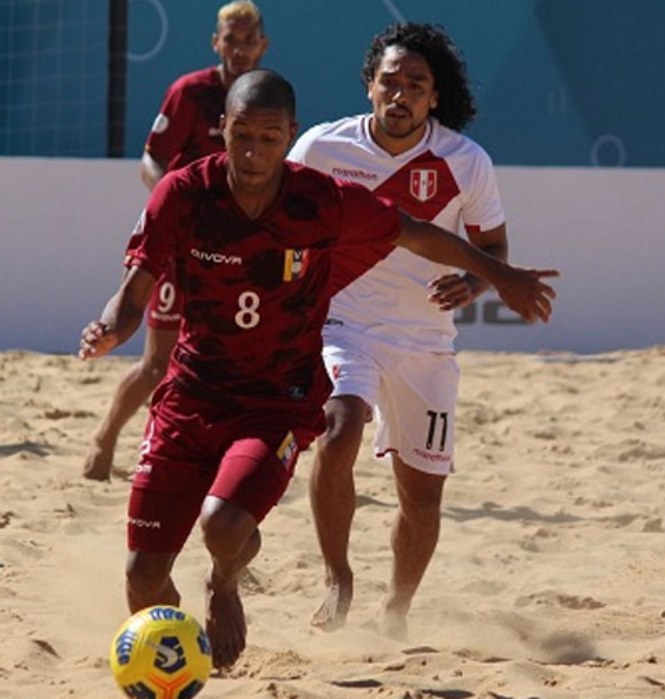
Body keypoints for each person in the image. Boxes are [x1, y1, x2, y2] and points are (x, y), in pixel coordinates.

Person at [79, 69, 556, 669]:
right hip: (191, 396)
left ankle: (226, 585)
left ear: (290, 136)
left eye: (270, 137)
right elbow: (132, 291)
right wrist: (110, 328)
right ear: (221, 129)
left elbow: (415, 233)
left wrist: (500, 274)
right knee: (142, 577)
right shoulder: (183, 192)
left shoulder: (318, 199)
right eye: (242, 135)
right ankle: (176, 662)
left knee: (224, 525)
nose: (254, 151)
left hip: (276, 400)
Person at [286, 23, 511, 639]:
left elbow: (492, 249)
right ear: (369, 86)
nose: (401, 93)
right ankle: (338, 578)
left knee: (422, 499)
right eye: (391, 80)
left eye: (416, 84)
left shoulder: (466, 161)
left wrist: (475, 284)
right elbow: (279, 222)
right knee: (338, 426)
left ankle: (398, 610)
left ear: (435, 97)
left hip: (425, 342)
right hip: (342, 323)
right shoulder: (320, 150)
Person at [83, 0, 270, 481]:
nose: (241, 48)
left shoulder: (266, 99)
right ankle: (105, 438)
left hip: (236, 251)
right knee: (157, 364)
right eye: (232, 39)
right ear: (217, 43)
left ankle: (211, 460)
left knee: (230, 364)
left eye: (250, 39)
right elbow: (151, 161)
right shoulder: (190, 92)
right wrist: (178, 208)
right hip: (179, 245)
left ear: (263, 45)